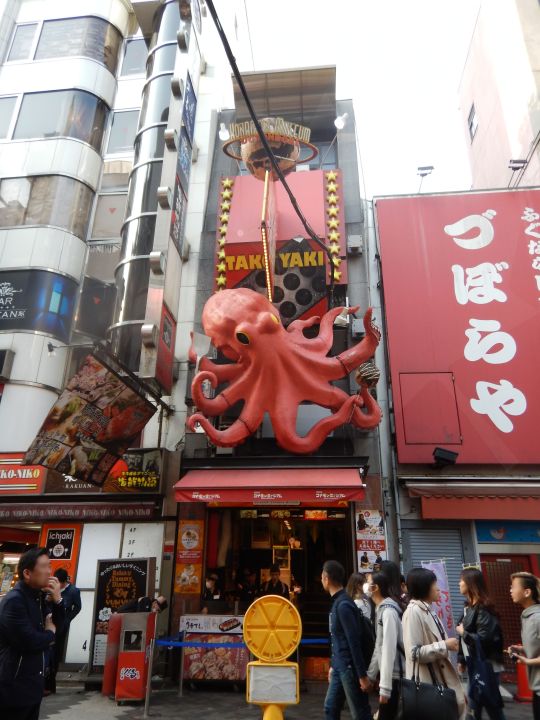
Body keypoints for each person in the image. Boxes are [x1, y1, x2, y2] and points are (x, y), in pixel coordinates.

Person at [0, 547, 66, 720]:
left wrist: (58, 600)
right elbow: (30, 641)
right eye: (43, 566)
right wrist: (50, 634)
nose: (49, 572)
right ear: (27, 573)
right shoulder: (15, 601)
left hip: (33, 685)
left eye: (49, 566)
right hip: (13, 688)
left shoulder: (39, 597)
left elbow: (59, 627)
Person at [402, 567, 467, 720]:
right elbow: (413, 653)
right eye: (434, 585)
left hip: (439, 683)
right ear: (423, 587)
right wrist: (444, 645)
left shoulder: (428, 610)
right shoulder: (413, 612)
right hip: (428, 687)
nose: (438, 589)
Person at [321, 560, 371, 720]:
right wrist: (333, 664)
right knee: (330, 708)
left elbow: (353, 641)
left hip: (349, 668)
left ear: (326, 578)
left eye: (322, 576)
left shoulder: (343, 605)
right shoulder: (339, 602)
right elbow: (338, 639)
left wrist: (362, 675)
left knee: (360, 713)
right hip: (339, 666)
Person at [456, 568, 506, 720]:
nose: (459, 583)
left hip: (486, 664)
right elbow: (465, 639)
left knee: (489, 705)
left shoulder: (483, 609)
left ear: (471, 583)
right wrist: (461, 659)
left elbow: (484, 639)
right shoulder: (468, 608)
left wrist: (463, 633)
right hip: (475, 663)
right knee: (478, 704)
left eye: (462, 580)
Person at [366, 572, 404, 720]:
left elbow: (388, 649)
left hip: (395, 678)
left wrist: (385, 689)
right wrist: (371, 675)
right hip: (390, 677)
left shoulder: (388, 612)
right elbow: (379, 646)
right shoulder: (381, 609)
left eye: (368, 582)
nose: (365, 585)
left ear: (375, 588)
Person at [508, 571, 540, 720]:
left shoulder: (537, 618)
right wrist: (521, 649)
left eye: (513, 587)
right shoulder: (527, 616)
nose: (510, 590)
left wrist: (527, 661)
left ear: (527, 592)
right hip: (536, 687)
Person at [45, 569, 82, 694]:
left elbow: (78, 607)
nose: (58, 585)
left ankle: (51, 684)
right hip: (47, 623)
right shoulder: (50, 587)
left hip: (61, 626)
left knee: (56, 653)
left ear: (65, 581)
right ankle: (44, 683)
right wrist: (47, 601)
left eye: (60, 583)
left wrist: (67, 619)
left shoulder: (73, 591)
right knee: (46, 651)